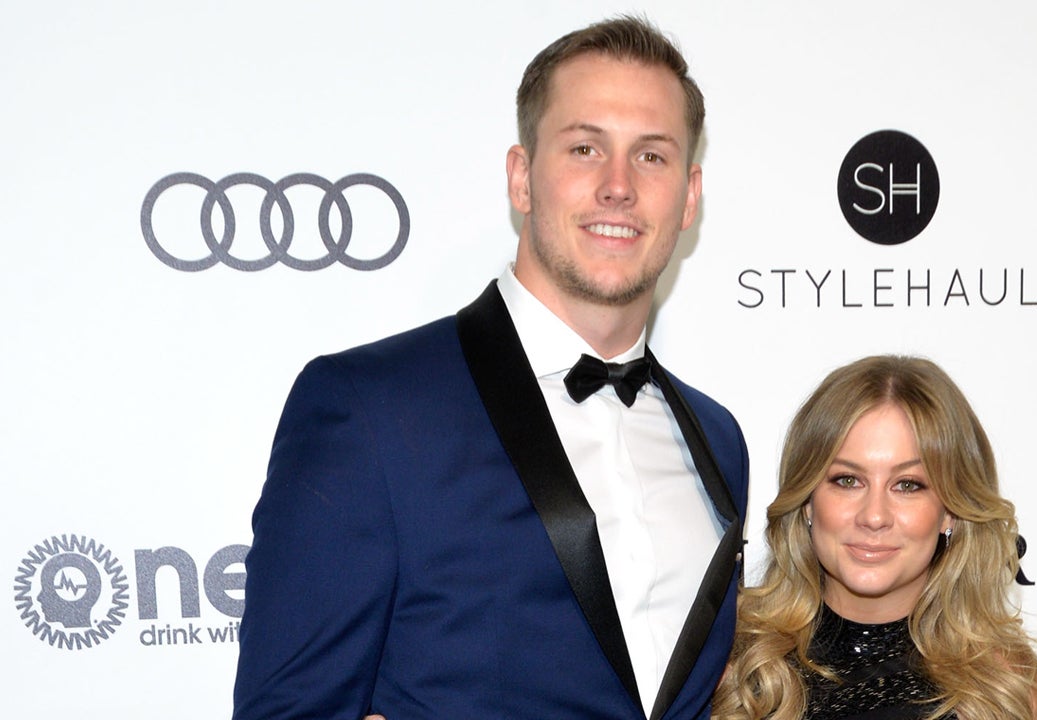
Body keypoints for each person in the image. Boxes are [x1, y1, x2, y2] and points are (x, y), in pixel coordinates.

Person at [232, 16, 748, 720]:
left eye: (651, 156)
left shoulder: (718, 440)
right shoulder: (369, 410)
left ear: (688, 196)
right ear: (522, 178)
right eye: (585, 148)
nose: (618, 186)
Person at [713, 356, 1037, 720]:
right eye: (848, 480)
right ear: (807, 501)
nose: (874, 517)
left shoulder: (1011, 691)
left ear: (950, 511)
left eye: (907, 485)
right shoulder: (734, 670)